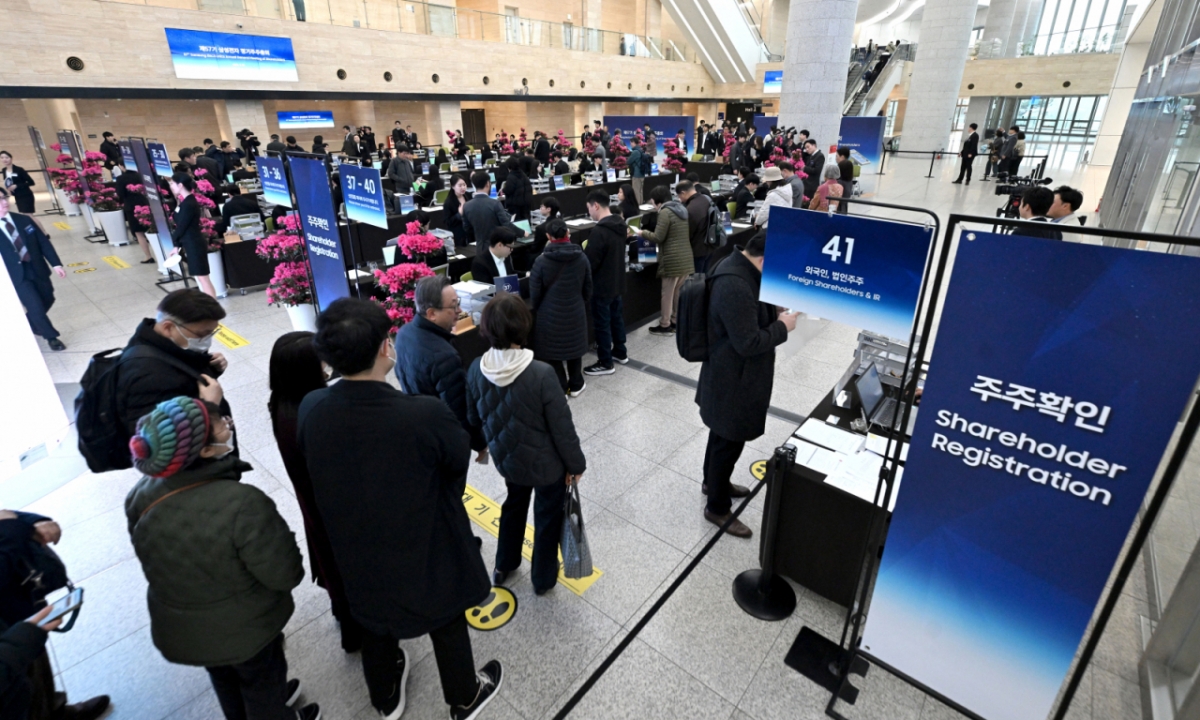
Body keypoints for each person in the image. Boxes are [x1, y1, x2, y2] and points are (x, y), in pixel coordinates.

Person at [298, 298, 503, 720]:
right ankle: (464, 696)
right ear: (383, 347)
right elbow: (454, 464)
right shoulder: (423, 413)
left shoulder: (311, 408)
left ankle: (386, 696)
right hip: (423, 534)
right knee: (446, 616)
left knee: (374, 619)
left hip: (355, 540)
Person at [126, 396, 318, 720]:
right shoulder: (241, 503)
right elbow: (285, 574)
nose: (228, 424)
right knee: (262, 685)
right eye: (219, 423)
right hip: (247, 630)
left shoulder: (140, 496)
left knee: (225, 681)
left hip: (188, 628)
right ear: (202, 451)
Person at [466, 293, 587, 593]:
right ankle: (542, 579)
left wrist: (488, 445)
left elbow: (473, 416)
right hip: (547, 467)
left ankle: (503, 564)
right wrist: (576, 465)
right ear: (523, 326)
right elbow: (562, 428)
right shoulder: (542, 373)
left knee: (513, 506)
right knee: (546, 519)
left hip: (508, 460)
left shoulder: (475, 368)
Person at [698, 231, 800, 537]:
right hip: (734, 379)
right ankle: (717, 507)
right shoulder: (734, 283)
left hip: (730, 374)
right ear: (764, 260)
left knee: (721, 436)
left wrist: (772, 311)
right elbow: (748, 341)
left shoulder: (742, 266)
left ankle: (712, 482)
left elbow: (748, 314)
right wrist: (782, 327)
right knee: (728, 440)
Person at [267, 332, 362, 653]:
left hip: (313, 501)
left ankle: (342, 610)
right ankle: (354, 631)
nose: (326, 366)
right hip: (335, 507)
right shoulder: (314, 415)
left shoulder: (282, 402)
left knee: (330, 561)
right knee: (345, 566)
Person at [0, 511, 111, 720]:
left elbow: (5, 515)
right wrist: (13, 529)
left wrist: (33, 521)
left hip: (15, 611)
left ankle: (52, 710)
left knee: (34, 660)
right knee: (15, 682)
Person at [392, 277, 488, 460]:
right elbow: (460, 411)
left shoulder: (404, 333)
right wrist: (480, 444)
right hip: (443, 440)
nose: (459, 310)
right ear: (431, 313)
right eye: (453, 306)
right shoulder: (445, 357)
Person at [115, 289, 230, 438]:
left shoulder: (163, 344)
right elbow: (156, 444)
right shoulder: (147, 376)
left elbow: (183, 372)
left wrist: (210, 367)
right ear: (168, 327)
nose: (207, 340)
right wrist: (209, 406)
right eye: (202, 334)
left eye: (211, 333)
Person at [528, 219, 592, 395]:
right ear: (567, 234)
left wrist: (541, 308)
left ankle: (561, 386)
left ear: (548, 236)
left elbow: (535, 293)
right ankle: (576, 383)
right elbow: (588, 287)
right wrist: (580, 302)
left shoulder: (541, 261)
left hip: (549, 313)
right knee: (574, 348)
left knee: (552, 352)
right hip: (575, 310)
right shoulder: (581, 257)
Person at [0, 187, 66, 351]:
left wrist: (56, 264)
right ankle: (51, 337)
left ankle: (29, 322)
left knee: (48, 297)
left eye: (4, 197)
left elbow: (43, 242)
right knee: (35, 305)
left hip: (36, 267)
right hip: (15, 274)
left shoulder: (23, 220)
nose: (3, 202)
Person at [583, 189, 629, 376]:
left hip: (601, 285)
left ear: (596, 205)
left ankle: (605, 362)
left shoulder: (599, 231)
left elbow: (590, 262)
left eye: (589, 209)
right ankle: (620, 351)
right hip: (617, 281)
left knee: (602, 323)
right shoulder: (620, 224)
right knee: (616, 318)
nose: (589, 213)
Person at [636, 184, 692, 335]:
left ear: (657, 201)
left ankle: (665, 325)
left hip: (672, 259)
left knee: (667, 294)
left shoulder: (665, 212)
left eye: (652, 202)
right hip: (686, 257)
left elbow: (658, 237)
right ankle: (675, 321)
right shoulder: (682, 209)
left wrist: (642, 233)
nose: (652, 206)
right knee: (678, 292)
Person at [167, 173, 217, 298]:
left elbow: (182, 226)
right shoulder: (184, 202)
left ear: (180, 185)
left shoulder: (189, 204)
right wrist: (177, 246)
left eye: (172, 183)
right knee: (200, 277)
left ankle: (213, 304)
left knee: (203, 277)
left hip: (194, 243)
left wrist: (174, 241)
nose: (171, 186)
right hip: (189, 242)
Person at [462, 171, 525, 255]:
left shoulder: (466, 206)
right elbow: (506, 224)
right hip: (497, 248)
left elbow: (467, 228)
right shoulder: (495, 203)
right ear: (488, 184)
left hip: (480, 248)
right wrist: (522, 232)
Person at [113, 167, 156, 264]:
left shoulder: (121, 178)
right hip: (145, 204)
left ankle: (148, 256)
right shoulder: (142, 175)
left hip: (131, 206)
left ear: (121, 166)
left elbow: (120, 193)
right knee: (152, 230)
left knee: (139, 233)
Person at [679, 180, 715, 274]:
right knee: (705, 276)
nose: (680, 199)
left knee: (696, 282)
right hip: (710, 245)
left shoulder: (691, 209)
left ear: (683, 193)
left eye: (679, 196)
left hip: (697, 251)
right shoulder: (706, 199)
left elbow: (688, 233)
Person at [442, 174, 471, 248]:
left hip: (470, 231)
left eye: (464, 185)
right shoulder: (449, 202)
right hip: (458, 234)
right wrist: (459, 214)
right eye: (460, 185)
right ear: (453, 187)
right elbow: (447, 222)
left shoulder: (468, 195)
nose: (463, 187)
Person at [502, 157, 533, 221]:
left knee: (517, 222)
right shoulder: (524, 174)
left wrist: (503, 190)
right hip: (526, 202)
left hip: (515, 204)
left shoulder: (511, 176)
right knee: (526, 220)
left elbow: (509, 190)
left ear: (509, 167)